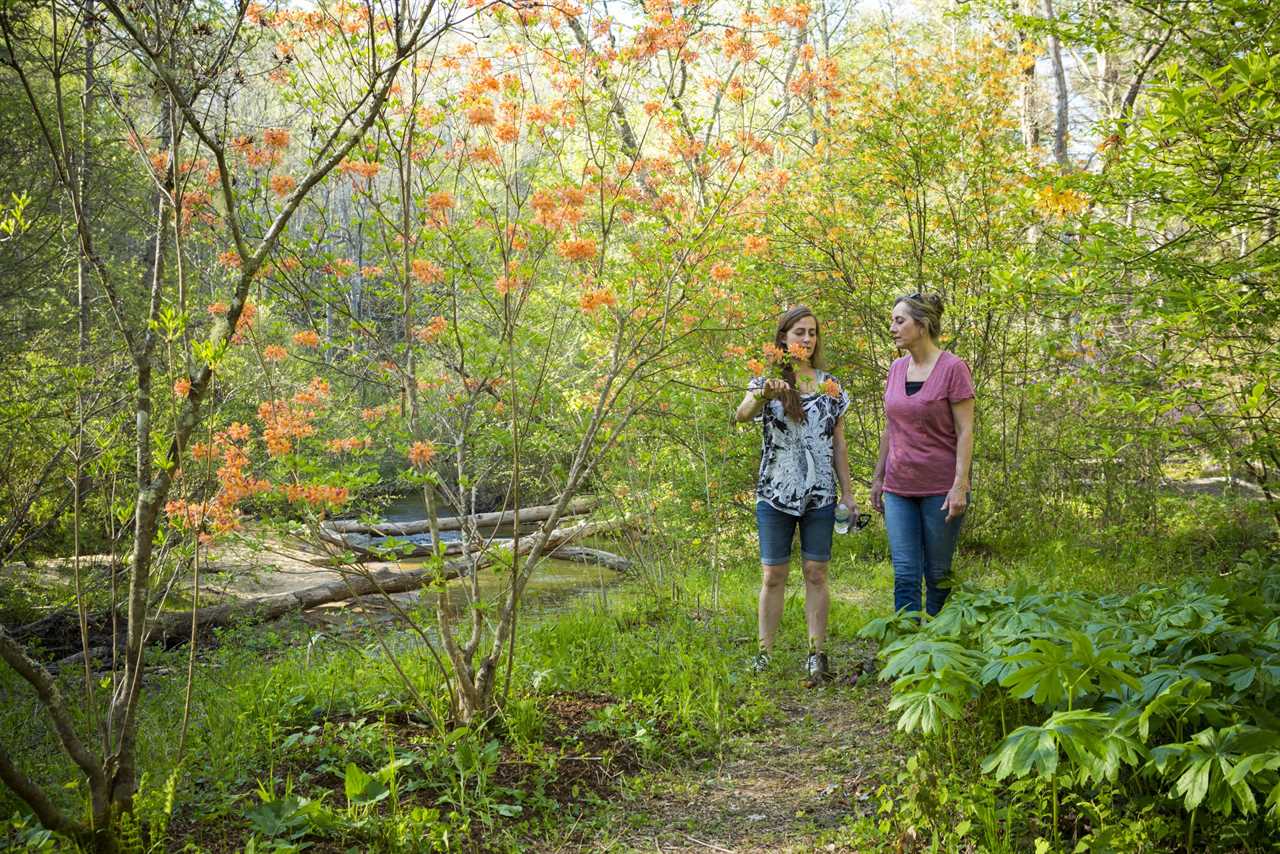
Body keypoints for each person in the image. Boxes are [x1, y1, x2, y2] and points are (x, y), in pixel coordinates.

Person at [734, 306, 855, 685]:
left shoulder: (830, 386)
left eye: (812, 333)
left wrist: (848, 495)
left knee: (816, 573)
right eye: (799, 332)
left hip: (820, 493)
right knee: (773, 575)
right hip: (774, 491)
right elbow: (741, 414)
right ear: (784, 337)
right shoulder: (768, 381)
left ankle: (817, 654)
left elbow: (839, 445)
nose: (806, 339)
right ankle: (764, 654)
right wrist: (762, 395)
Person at [870, 293, 975, 618]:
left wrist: (960, 484)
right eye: (893, 320)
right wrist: (879, 477)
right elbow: (891, 427)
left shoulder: (953, 368)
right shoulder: (896, 368)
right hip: (899, 488)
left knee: (938, 573)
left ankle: (938, 646)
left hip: (939, 490)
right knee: (905, 574)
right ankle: (907, 647)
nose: (892, 328)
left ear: (923, 324)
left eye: (899, 321)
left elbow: (965, 431)